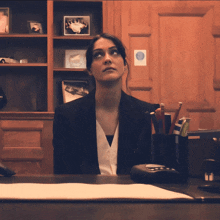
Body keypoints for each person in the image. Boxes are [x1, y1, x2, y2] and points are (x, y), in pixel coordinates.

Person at [53, 33, 160, 175]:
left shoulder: (147, 113)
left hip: (134, 196)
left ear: (125, 64)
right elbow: (63, 175)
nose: (107, 59)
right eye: (98, 55)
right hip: (85, 195)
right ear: (89, 70)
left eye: (114, 52)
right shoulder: (66, 115)